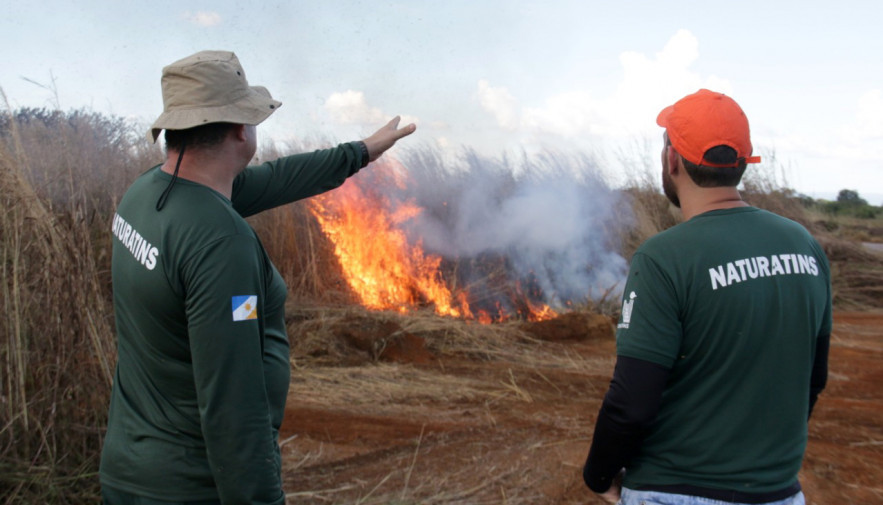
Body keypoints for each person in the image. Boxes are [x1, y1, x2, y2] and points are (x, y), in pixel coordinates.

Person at [99, 50, 415, 505]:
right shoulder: (220, 242)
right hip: (191, 488)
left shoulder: (148, 193)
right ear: (239, 129)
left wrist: (360, 152)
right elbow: (234, 408)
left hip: (132, 470)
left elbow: (276, 178)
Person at [582, 89, 831, 505]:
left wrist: (598, 473)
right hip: (778, 492)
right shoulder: (804, 245)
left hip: (675, 489)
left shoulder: (663, 258)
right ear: (741, 164)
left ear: (672, 159)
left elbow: (632, 403)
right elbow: (814, 377)